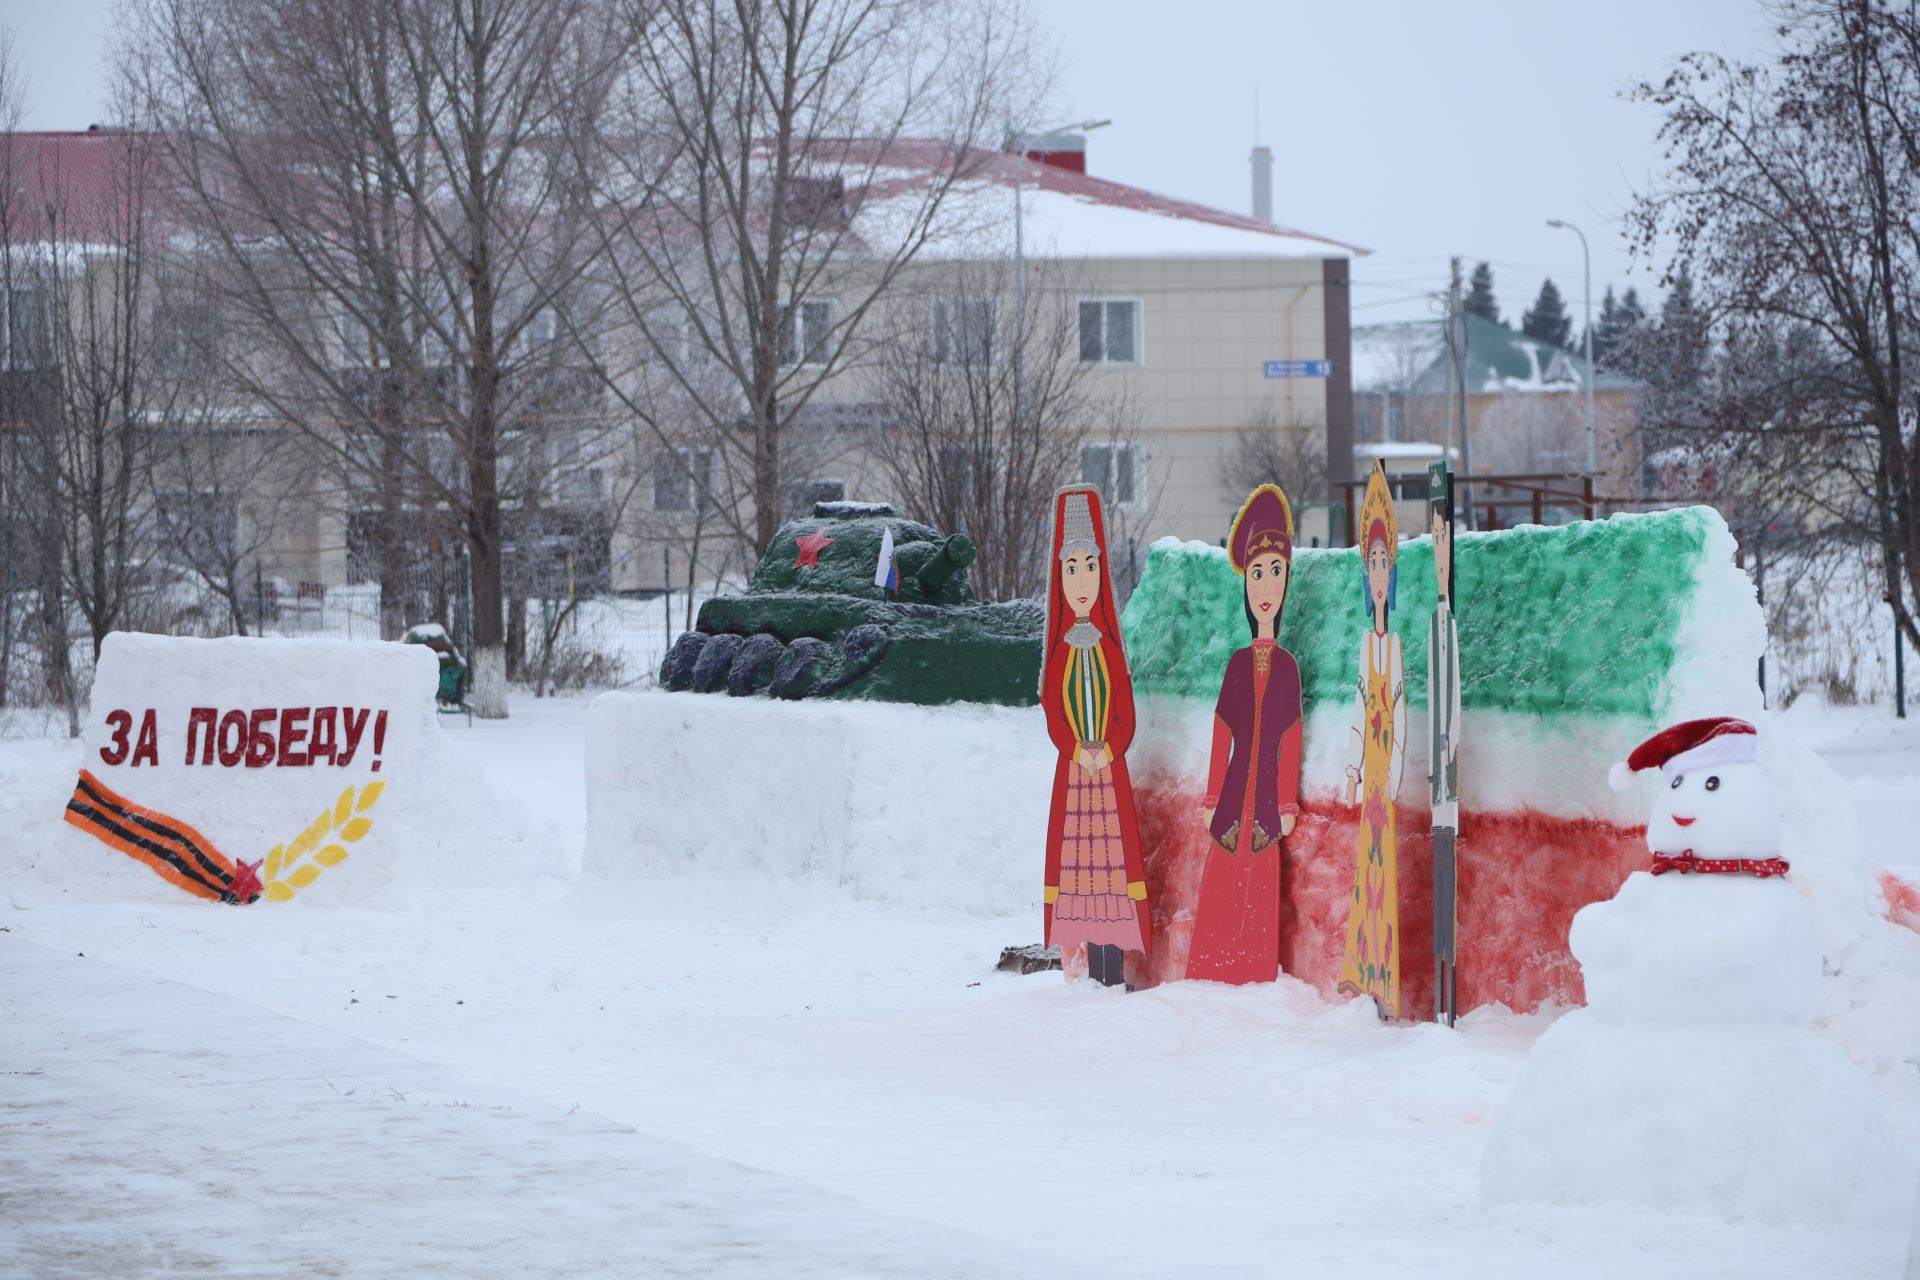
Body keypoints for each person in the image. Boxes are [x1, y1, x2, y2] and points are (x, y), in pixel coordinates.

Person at [1188, 484, 1304, 985]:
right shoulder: (1237, 664)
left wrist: (1286, 805)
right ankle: (1213, 963)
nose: (1267, 585)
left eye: (1276, 572)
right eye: (1258, 573)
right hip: (1234, 792)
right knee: (1222, 877)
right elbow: (1222, 731)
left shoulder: (1289, 668)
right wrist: (1214, 795)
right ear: (1246, 584)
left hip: (1266, 802)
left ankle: (1254, 966)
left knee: (1259, 879)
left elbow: (1291, 739)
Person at [1040, 485, 1150, 987]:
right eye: (1071, 568)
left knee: (1112, 868)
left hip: (1107, 769)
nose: (1081, 579)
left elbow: (1124, 708)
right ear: (1058, 576)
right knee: (1080, 871)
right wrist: (1073, 748)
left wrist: (1109, 747)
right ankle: (1088, 969)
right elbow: (1053, 710)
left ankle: (1112, 965)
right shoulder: (1060, 650)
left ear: (1102, 573)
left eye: (1090, 567)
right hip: (1077, 773)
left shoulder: (1108, 645)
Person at [1337, 463, 1407, 1019]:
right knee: (1368, 871)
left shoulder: (1397, 646)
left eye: (1385, 562)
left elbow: (1399, 713)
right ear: (1365, 571)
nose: (1379, 571)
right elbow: (1363, 710)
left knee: (1386, 870)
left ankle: (1387, 977)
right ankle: (1363, 970)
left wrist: (1396, 774)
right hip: (1370, 773)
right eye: (1373, 562)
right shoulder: (1366, 645)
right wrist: (1355, 767)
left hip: (1391, 776)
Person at [1427, 463, 1463, 1026]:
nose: (1438, 548)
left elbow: (1449, 699)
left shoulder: (1448, 622)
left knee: (1447, 896)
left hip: (1447, 785)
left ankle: (1447, 1000)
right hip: (1436, 787)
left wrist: (1447, 770)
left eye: (1442, 539)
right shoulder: (1434, 619)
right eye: (1432, 539)